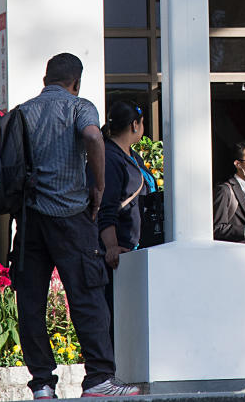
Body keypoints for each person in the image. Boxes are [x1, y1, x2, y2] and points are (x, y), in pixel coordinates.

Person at [9, 53, 139, 399]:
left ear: (45, 79)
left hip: (30, 222)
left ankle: (42, 386)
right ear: (76, 82)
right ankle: (98, 379)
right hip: (70, 218)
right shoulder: (80, 107)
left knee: (31, 303)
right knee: (87, 297)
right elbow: (95, 139)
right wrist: (98, 187)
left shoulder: (22, 112)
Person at [97, 101, 154, 343]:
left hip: (137, 252)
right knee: (117, 321)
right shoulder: (110, 158)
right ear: (135, 125)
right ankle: (113, 375)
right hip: (118, 256)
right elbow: (105, 207)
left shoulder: (132, 156)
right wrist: (110, 246)